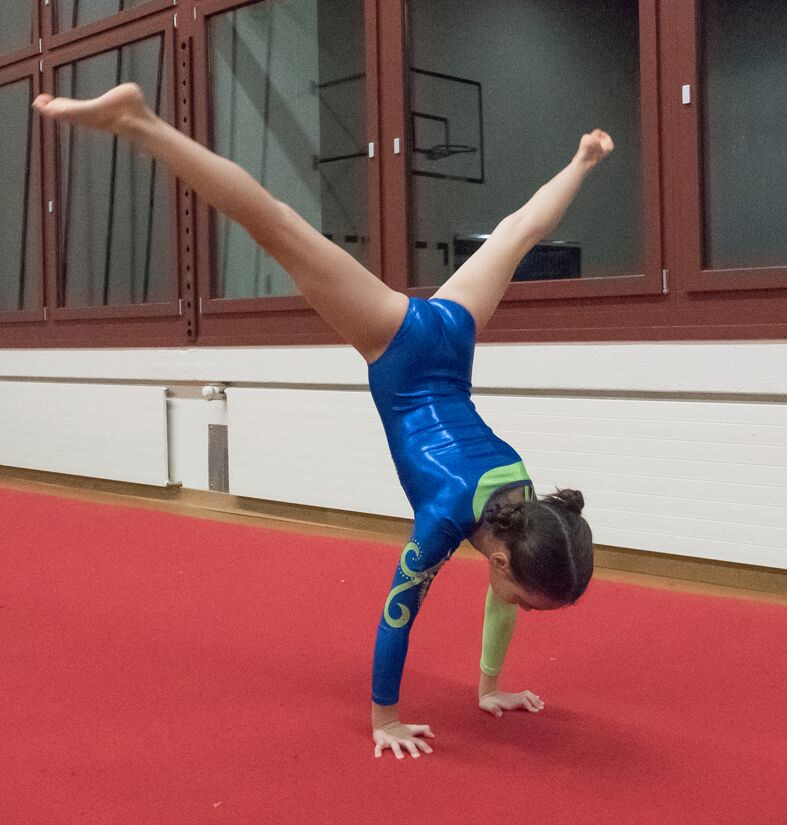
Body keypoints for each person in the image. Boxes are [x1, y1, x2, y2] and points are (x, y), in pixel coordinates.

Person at [33, 84, 613, 760]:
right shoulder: (447, 519)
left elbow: (499, 594)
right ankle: (140, 122)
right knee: (275, 225)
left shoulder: (524, 503)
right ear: (504, 560)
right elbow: (396, 617)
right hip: (397, 344)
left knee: (517, 234)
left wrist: (489, 687)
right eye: (531, 601)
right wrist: (385, 719)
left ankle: (581, 159)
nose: (523, 609)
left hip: (451, 338)